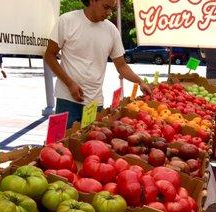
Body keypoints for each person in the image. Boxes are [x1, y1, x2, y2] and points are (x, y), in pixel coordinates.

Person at [44, 0, 151, 128]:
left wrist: (140, 81)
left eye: (111, 9)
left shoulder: (112, 30)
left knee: (91, 144)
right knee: (61, 143)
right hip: (67, 100)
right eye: (105, 7)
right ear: (92, 1)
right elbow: (49, 55)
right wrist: (70, 83)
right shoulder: (67, 21)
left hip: (95, 103)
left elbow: (121, 65)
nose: (108, 13)